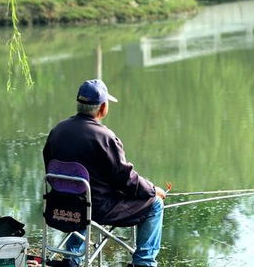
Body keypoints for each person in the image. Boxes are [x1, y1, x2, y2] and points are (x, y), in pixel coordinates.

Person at [43, 79, 166, 267]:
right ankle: (144, 263)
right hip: (96, 208)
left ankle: (72, 258)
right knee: (155, 205)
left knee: (81, 195)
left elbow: (50, 167)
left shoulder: (58, 130)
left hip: (59, 203)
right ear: (102, 108)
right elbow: (125, 179)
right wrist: (152, 190)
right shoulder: (104, 137)